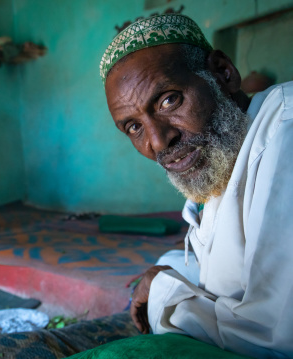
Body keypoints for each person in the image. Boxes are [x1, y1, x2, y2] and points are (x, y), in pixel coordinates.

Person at [101, 13, 293, 357]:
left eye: (169, 100)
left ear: (223, 73)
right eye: (133, 127)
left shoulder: (285, 132)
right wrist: (164, 272)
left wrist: (164, 294)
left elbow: (275, 337)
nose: (158, 142)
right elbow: (222, 268)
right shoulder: (224, 155)